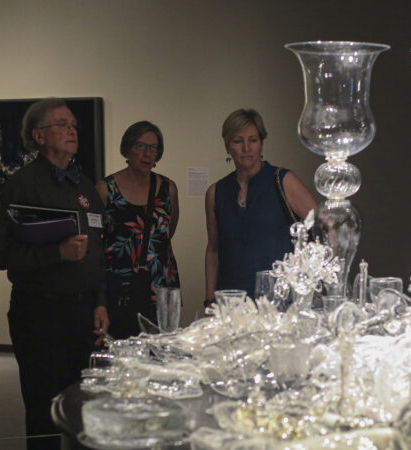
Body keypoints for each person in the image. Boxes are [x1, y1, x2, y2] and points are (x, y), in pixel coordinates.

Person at [0, 98, 109, 449]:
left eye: (74, 126)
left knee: (83, 407)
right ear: (38, 136)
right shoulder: (21, 186)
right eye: (62, 125)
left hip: (83, 313)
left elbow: (98, 252)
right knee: (44, 411)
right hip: (40, 314)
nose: (72, 131)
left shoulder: (85, 187)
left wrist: (100, 301)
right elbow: (1, 256)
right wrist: (56, 252)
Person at [205, 108, 316, 307]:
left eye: (253, 140)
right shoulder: (216, 192)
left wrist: (308, 284)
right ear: (227, 146)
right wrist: (210, 301)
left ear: (261, 143)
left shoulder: (283, 181)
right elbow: (213, 250)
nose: (246, 148)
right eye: (238, 141)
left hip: (278, 302)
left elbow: (322, 230)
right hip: (230, 301)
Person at [96, 121, 180, 338]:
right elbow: (96, 242)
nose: (147, 154)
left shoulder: (167, 188)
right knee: (121, 354)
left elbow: (167, 232)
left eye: (153, 148)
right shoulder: (106, 189)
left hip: (161, 286)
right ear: (127, 149)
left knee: (161, 355)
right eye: (141, 146)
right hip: (119, 288)